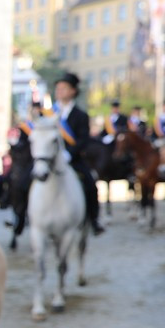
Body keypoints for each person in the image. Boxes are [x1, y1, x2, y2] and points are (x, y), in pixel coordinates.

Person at [51, 72, 104, 235]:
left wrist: (69, 154)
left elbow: (83, 140)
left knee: (90, 185)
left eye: (63, 88)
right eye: (57, 88)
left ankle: (93, 220)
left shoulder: (80, 115)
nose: (59, 91)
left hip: (72, 159)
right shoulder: (49, 114)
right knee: (24, 180)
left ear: (73, 91)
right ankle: (22, 217)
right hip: (49, 159)